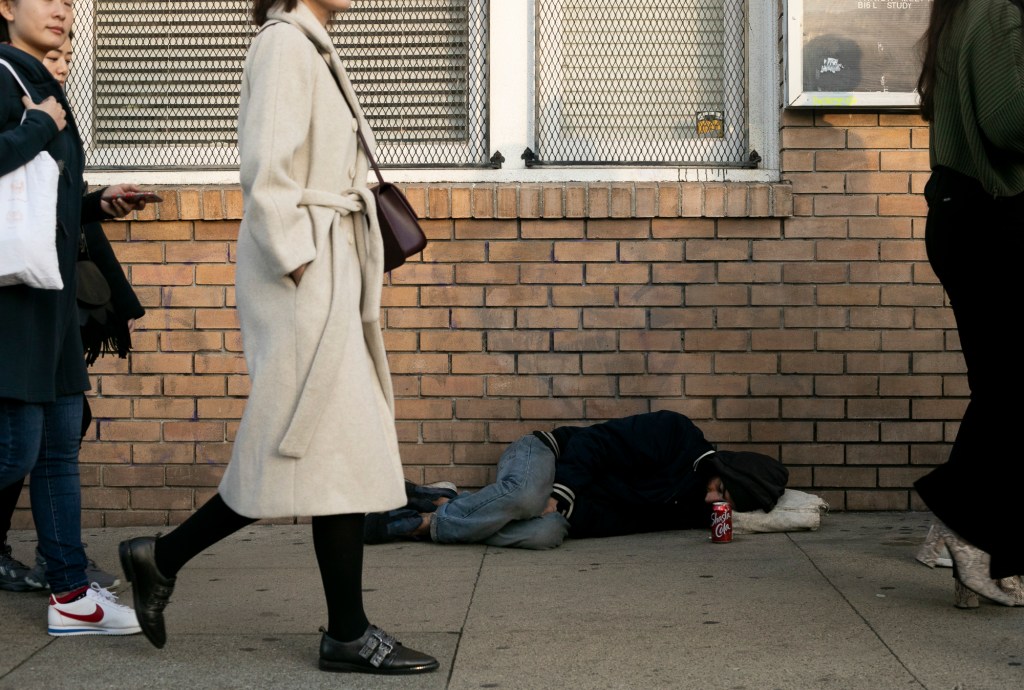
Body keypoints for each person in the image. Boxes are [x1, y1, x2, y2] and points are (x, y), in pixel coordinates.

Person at [117, 0, 439, 675]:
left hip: (325, 269)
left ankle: (170, 560)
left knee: (327, 452)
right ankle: (339, 632)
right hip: (304, 278)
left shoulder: (309, 42)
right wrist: (303, 261)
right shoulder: (284, 43)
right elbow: (267, 171)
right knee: (311, 443)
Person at [0, 0, 151, 635]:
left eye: (70, 1)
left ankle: (72, 596)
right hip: (11, 306)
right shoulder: (8, 81)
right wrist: (37, 127)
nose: (64, 10)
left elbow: (37, 203)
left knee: (60, 449)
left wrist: (96, 204)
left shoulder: (43, 85)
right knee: (15, 452)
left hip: (52, 302)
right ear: (7, 7)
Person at [911, 0, 1024, 608]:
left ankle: (968, 538)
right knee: (1011, 388)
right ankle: (964, 525)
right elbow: (1010, 123)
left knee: (1002, 386)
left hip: (968, 218)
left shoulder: (967, 11)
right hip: (994, 221)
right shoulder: (999, 12)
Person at [365, 411, 789, 550]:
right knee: (531, 498)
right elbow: (594, 444)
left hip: (561, 500)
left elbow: (611, 521)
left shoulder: (685, 507)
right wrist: (562, 493)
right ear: (726, 469)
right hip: (546, 455)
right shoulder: (678, 435)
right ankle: (419, 525)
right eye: (723, 490)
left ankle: (442, 503)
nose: (715, 499)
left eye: (728, 505)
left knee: (547, 532)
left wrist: (567, 513)